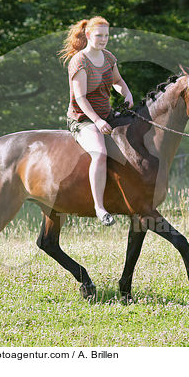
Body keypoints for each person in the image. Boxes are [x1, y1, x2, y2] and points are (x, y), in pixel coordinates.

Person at [59, 16, 134, 226]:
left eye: (107, 35)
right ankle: (100, 208)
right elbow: (81, 98)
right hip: (83, 119)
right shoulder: (79, 61)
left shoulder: (109, 58)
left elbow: (118, 81)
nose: (103, 39)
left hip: (107, 114)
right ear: (89, 35)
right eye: (99, 35)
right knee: (100, 153)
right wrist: (97, 121)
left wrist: (126, 94)